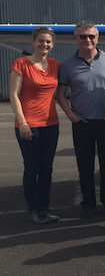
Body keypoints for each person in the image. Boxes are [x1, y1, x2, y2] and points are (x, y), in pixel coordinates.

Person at [56, 21, 105, 217]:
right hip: (83, 122)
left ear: (97, 38)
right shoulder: (68, 64)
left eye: (91, 36)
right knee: (85, 166)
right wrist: (70, 115)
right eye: (83, 36)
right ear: (76, 39)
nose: (88, 40)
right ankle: (88, 204)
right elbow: (61, 93)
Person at [9, 27, 61, 224]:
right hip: (29, 124)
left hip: (51, 123)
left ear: (52, 45)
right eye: (41, 41)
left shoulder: (55, 65)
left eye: (48, 42)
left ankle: (44, 206)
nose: (44, 45)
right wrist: (22, 122)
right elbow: (14, 95)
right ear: (33, 42)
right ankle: (34, 207)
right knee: (32, 167)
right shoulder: (21, 64)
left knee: (47, 167)